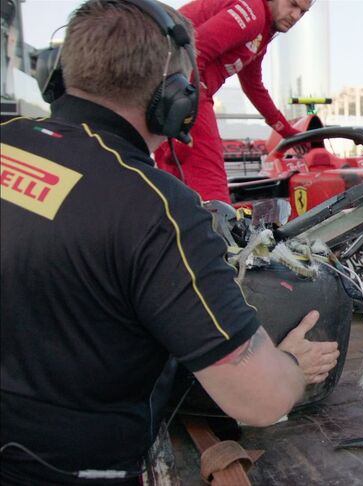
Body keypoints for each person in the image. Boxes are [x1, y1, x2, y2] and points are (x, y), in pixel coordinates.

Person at [0, 1, 338, 484]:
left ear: (58, 75)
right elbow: (260, 400)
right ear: (175, 99)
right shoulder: (157, 209)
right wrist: (290, 364)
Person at [154, 0, 313, 203]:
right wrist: (189, 107)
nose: (295, 16)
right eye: (292, 4)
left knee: (175, 189)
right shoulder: (253, 13)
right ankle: (212, 233)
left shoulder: (261, 34)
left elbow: (254, 87)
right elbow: (192, 51)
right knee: (212, 190)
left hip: (168, 89)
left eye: (302, 12)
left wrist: (287, 131)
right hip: (182, 89)